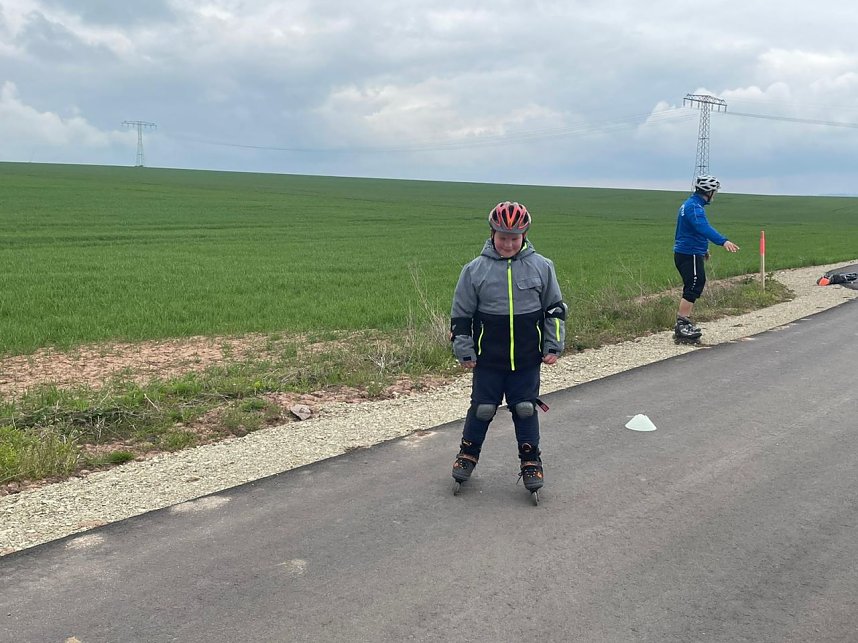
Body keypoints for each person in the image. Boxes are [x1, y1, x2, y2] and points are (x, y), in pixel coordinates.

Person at [449, 201, 566, 495]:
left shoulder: (542, 266)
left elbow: (555, 310)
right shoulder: (474, 270)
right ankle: (467, 454)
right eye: (502, 237)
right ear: (492, 234)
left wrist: (553, 345)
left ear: (524, 235)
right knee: (483, 408)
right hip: (488, 360)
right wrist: (464, 349)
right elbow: (461, 315)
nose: (508, 244)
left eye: (514, 238)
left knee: (525, 409)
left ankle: (531, 461)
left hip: (526, 359)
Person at [673, 175, 740, 341]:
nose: (715, 194)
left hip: (689, 251)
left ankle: (684, 324)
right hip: (689, 253)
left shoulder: (690, 204)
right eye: (714, 191)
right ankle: (682, 325)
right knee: (694, 285)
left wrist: (704, 249)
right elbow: (703, 228)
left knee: (694, 284)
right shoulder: (694, 208)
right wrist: (723, 241)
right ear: (708, 192)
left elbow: (691, 231)